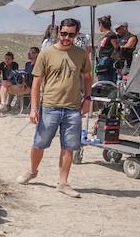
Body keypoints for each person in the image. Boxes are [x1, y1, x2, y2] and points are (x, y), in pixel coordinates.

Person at [17, 18, 92, 198]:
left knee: (69, 146)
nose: (66, 37)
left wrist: (88, 99)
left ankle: (63, 183)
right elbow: (36, 83)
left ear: (76, 34)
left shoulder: (81, 55)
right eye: (64, 33)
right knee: (39, 143)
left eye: (71, 35)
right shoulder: (46, 53)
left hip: (73, 108)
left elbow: (88, 77)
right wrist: (34, 108)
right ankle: (33, 171)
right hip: (49, 106)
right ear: (58, 32)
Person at [96, 15, 119, 84]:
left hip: (107, 63)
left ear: (101, 24)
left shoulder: (111, 35)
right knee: (102, 83)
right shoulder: (107, 35)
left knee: (107, 83)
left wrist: (118, 60)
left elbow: (117, 48)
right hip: (102, 62)